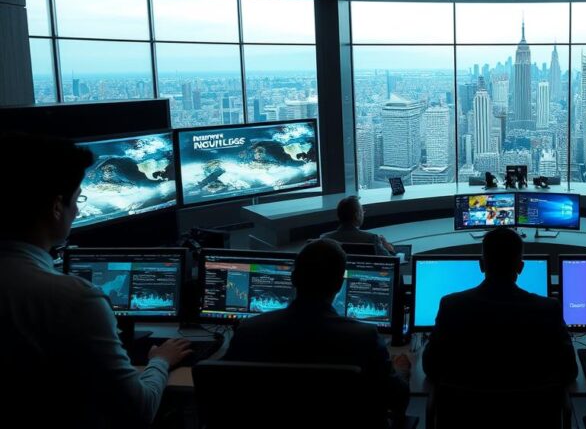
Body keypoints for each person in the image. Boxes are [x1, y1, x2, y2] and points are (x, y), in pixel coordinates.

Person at [0, 132, 192, 428]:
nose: (77, 210)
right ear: (55, 207)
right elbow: (138, 410)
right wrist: (161, 361)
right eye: (77, 199)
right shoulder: (73, 299)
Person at [224, 239, 409, 426]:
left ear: (293, 278)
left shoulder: (249, 331)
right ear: (339, 285)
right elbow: (397, 398)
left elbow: (220, 382)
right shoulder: (365, 337)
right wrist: (401, 370)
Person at [423, 227, 577, 388]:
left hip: (465, 411)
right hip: (534, 411)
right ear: (521, 267)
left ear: (481, 265)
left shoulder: (451, 306)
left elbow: (430, 367)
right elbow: (569, 371)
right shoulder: (549, 309)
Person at [322, 195, 395, 256]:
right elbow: (390, 263)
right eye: (362, 211)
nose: (363, 213)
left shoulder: (325, 239)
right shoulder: (371, 239)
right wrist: (389, 250)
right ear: (357, 215)